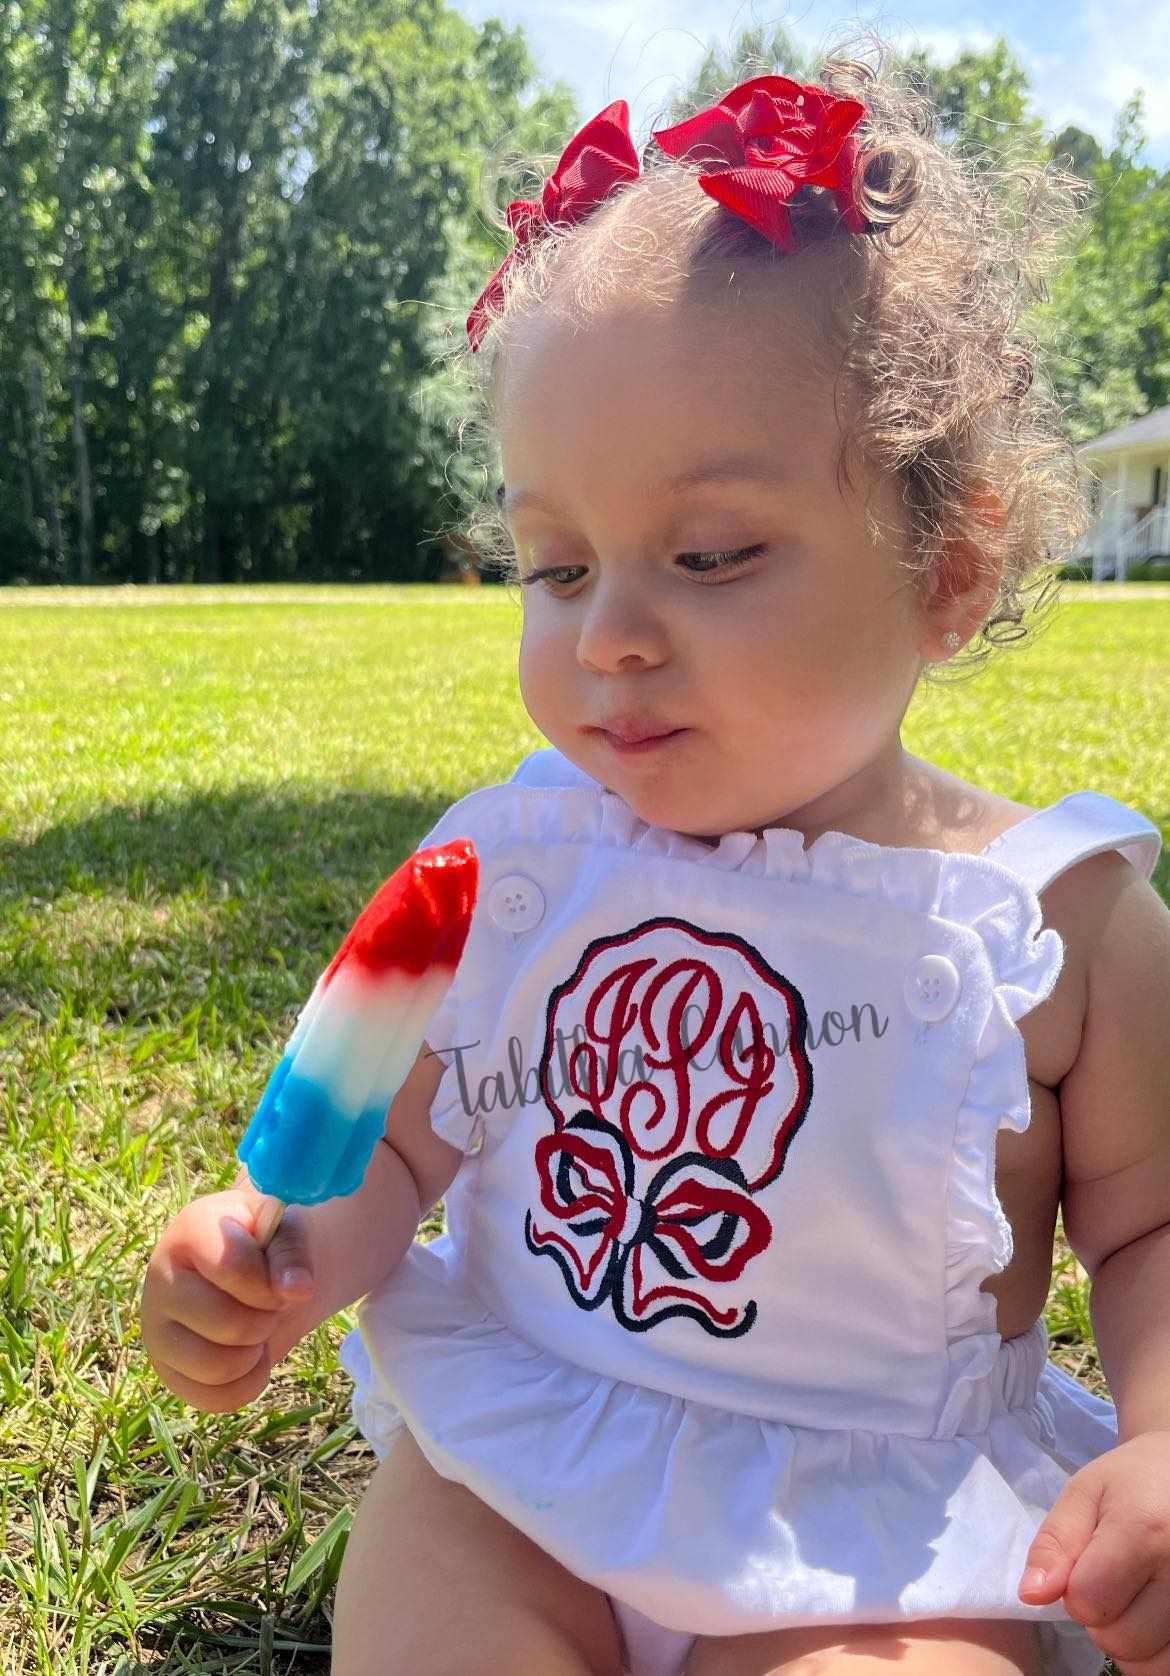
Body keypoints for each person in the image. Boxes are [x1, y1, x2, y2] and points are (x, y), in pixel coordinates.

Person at [139, 46, 1170, 1676]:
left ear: (947, 565)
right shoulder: (511, 863)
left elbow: (1150, 1229)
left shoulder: (1057, 926)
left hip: (880, 1541)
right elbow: (388, 1156)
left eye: (706, 556)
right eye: (553, 566)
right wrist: (270, 1251)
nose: (609, 635)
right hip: (524, 1467)